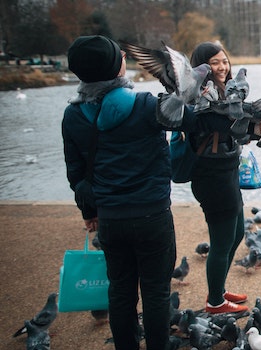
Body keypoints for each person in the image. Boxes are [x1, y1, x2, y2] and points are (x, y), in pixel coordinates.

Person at [62, 35, 233, 350]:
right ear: (117, 66)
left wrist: (89, 212)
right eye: (120, 56)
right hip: (152, 215)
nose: (126, 57)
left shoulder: (73, 115)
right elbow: (195, 121)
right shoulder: (144, 104)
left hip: (111, 219)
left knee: (120, 291)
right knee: (156, 293)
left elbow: (76, 172)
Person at [188, 42, 261, 314]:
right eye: (215, 62)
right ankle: (215, 302)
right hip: (211, 175)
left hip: (226, 171)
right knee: (221, 240)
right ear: (201, 66)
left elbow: (243, 128)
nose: (222, 66)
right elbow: (220, 124)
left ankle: (217, 290)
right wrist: (260, 126)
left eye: (224, 61)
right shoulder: (199, 95)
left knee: (237, 232)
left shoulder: (227, 94)